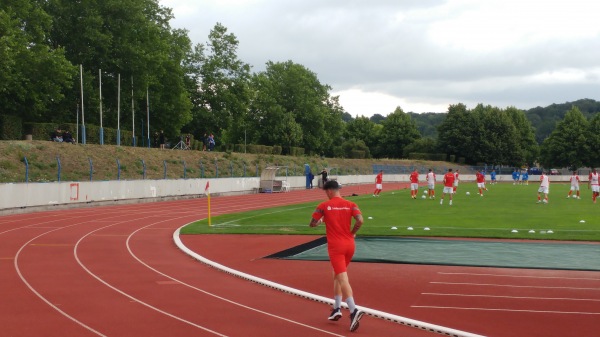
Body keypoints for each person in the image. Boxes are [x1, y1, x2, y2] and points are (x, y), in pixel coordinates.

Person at [309, 180, 364, 332]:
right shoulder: (351, 204)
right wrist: (352, 233)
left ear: (328, 191)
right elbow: (360, 220)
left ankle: (353, 311)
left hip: (336, 247)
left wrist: (320, 220)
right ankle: (337, 308)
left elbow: (312, 223)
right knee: (337, 275)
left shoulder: (323, 206)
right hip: (350, 245)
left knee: (342, 277)